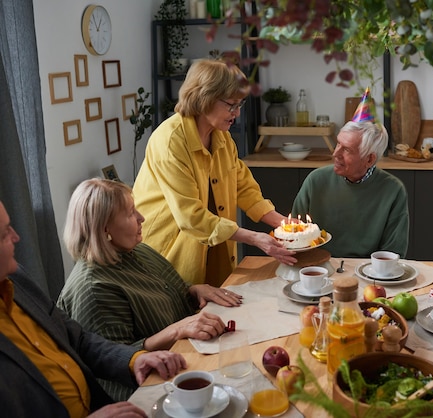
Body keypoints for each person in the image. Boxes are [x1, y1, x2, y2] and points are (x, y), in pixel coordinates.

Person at [57, 179, 240, 401]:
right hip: (142, 391)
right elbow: (118, 359)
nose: (141, 218)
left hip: (184, 355)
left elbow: (168, 292)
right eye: (130, 213)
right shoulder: (94, 289)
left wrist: (192, 291)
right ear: (105, 229)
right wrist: (177, 330)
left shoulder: (139, 251)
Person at [0, 200, 187, 418]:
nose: (16, 237)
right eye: (4, 234)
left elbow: (77, 339)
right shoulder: (94, 286)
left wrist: (133, 359)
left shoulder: (17, 280)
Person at [132, 59, 296, 287]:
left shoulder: (222, 138)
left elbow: (243, 186)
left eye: (240, 105)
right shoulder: (170, 141)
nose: (237, 113)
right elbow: (191, 217)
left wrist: (283, 224)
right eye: (231, 105)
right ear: (204, 98)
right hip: (168, 254)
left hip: (213, 248)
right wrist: (254, 238)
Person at [291, 89, 409, 258]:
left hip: (369, 274)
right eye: (338, 144)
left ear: (369, 160)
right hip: (317, 269)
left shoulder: (393, 190)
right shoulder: (316, 181)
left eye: (346, 149)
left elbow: (393, 253)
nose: (335, 154)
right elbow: (295, 238)